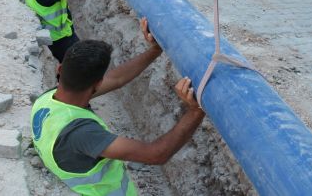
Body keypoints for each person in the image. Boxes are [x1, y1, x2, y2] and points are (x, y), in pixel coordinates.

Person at [31, 18, 206, 195]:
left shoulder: (47, 99)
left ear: (60, 69)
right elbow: (156, 154)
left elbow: (117, 79)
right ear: (98, 83)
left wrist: (155, 50)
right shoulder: (82, 134)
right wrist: (195, 111)